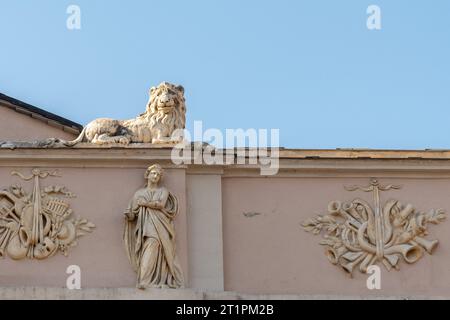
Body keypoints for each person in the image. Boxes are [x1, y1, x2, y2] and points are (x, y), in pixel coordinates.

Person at [123, 164, 184, 289]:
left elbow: (161, 204)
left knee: (158, 248)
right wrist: (129, 215)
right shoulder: (139, 193)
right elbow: (133, 213)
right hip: (146, 226)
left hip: (162, 225)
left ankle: (149, 280)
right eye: (153, 173)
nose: (155, 176)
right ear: (147, 175)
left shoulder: (163, 191)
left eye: (158, 174)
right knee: (151, 245)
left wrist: (145, 203)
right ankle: (146, 280)